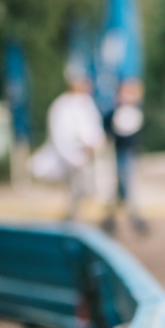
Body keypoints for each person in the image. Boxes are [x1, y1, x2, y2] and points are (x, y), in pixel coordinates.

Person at [45, 64, 105, 220]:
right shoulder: (61, 106)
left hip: (87, 157)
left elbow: (94, 127)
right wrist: (73, 158)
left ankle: (75, 223)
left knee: (87, 192)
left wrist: (96, 142)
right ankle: (71, 224)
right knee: (75, 193)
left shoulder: (86, 102)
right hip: (72, 159)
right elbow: (59, 136)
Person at [102, 78, 149, 234]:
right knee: (125, 185)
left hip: (129, 152)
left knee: (123, 186)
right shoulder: (118, 110)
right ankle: (133, 219)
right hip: (122, 152)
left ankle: (111, 219)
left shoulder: (132, 110)